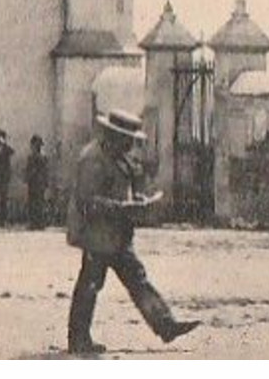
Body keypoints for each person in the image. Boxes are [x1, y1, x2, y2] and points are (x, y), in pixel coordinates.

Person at [66, 109, 200, 355]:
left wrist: (140, 198)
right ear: (113, 135)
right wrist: (125, 207)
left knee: (137, 279)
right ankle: (78, 340)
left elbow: (127, 183)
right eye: (127, 138)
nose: (131, 144)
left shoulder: (119, 156)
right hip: (96, 235)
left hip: (116, 234)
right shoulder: (92, 159)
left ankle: (165, 325)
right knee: (90, 285)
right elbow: (87, 202)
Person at [25, 135, 51, 229]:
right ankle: (35, 223)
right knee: (33, 203)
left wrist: (45, 182)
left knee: (38, 203)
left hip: (38, 183)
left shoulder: (40, 157)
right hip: (34, 183)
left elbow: (45, 171)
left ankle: (38, 223)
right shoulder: (33, 157)